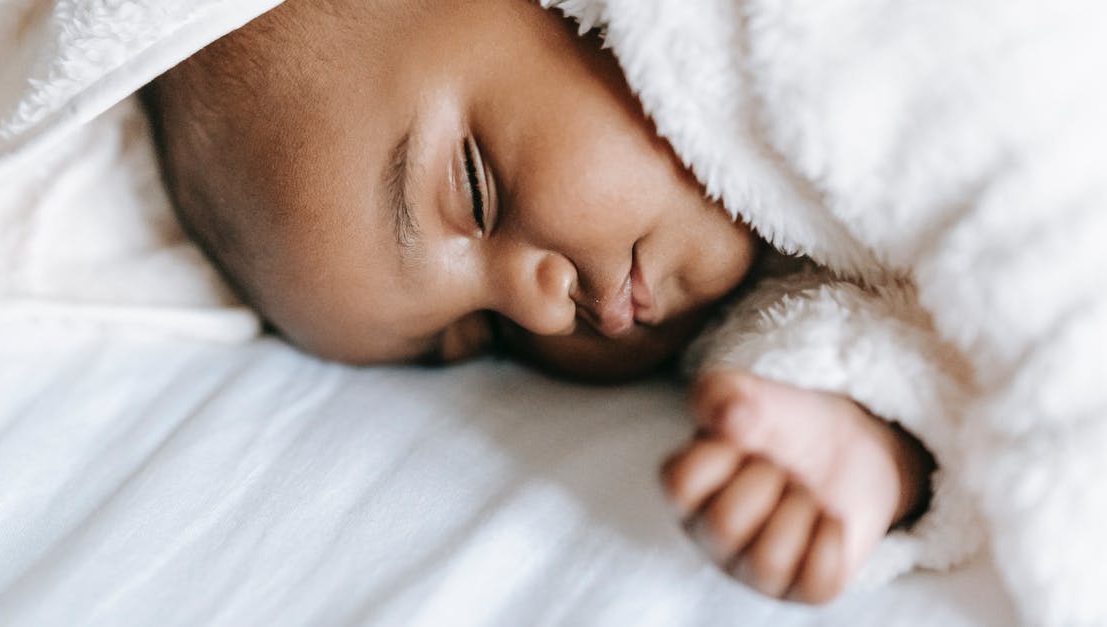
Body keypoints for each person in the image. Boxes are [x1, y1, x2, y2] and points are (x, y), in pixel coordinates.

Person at [140, 0, 942, 605]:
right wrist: (865, 445)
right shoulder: (754, 328)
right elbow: (926, 352)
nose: (541, 311)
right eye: (487, 336)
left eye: (478, 191)